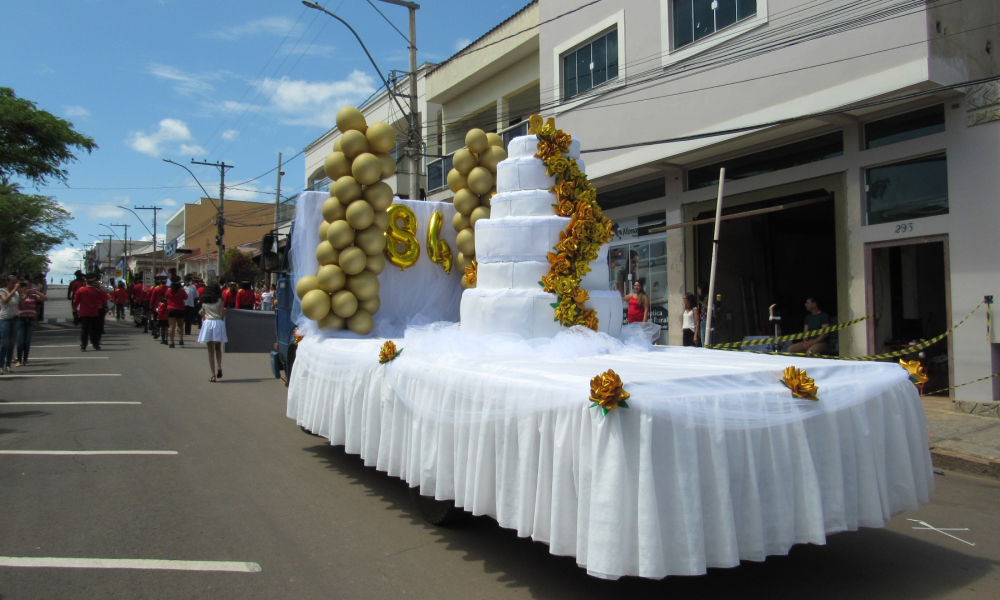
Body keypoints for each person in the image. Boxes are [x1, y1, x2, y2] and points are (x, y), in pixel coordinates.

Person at [198, 283, 227, 382]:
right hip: (218, 322)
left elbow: (203, 315)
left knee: (210, 351)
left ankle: (213, 375)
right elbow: (222, 315)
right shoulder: (220, 301)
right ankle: (219, 366)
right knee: (218, 348)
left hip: (208, 323)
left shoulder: (204, 302)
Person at [15, 279, 47, 366]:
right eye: (25, 286)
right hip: (21, 319)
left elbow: (45, 298)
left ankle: (25, 359)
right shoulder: (18, 295)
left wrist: (36, 291)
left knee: (27, 340)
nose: (27, 287)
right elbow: (21, 304)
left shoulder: (33, 296)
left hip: (31, 319)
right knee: (20, 340)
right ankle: (19, 360)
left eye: (29, 285)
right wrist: (26, 295)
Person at [74, 274, 108, 351]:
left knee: (84, 330)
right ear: (93, 282)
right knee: (94, 329)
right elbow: (103, 301)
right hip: (94, 312)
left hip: (84, 313)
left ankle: (83, 345)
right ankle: (95, 344)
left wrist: (74, 310)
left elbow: (76, 301)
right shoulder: (98, 291)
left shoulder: (80, 290)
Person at [0, 276, 22, 374]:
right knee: (5, 343)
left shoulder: (17, 293)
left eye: (16, 282)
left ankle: (8, 365)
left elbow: (22, 305)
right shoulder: (2, 291)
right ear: (7, 282)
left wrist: (21, 294)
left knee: (12, 343)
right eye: (13, 282)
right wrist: (14, 291)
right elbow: (5, 301)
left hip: (15, 318)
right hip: (5, 318)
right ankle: (1, 365)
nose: (15, 284)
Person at [164, 276, 188, 348]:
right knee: (180, 326)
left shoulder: (169, 290)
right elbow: (186, 297)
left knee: (172, 326)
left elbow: (166, 297)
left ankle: (172, 342)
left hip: (171, 309)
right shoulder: (181, 290)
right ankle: (181, 339)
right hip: (180, 309)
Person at [696, 281, 715, 347]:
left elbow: (712, 311)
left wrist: (703, 303)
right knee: (703, 343)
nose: (698, 290)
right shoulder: (701, 299)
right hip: (703, 322)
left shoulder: (708, 298)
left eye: (699, 289)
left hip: (708, 322)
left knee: (707, 343)